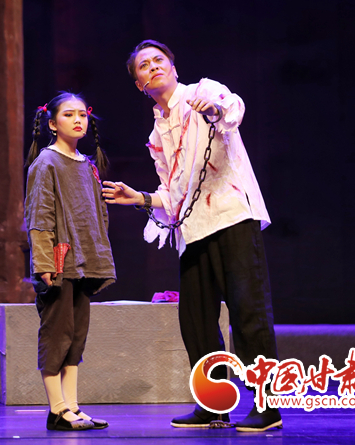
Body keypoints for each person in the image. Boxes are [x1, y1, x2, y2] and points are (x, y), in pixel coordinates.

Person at [102, 40, 282, 432]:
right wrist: (141, 197)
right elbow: (173, 192)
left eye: (159, 60)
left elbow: (233, 108)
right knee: (196, 319)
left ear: (173, 68)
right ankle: (214, 404)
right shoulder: (156, 133)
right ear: (139, 85)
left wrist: (214, 109)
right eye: (144, 66)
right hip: (194, 229)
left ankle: (268, 406)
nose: (153, 67)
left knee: (248, 311)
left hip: (232, 216)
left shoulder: (202, 91)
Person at [24, 92, 116, 431]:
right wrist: (44, 262)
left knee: (76, 335)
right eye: (68, 115)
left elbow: (98, 215)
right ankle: (57, 408)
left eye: (82, 114)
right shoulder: (46, 163)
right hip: (60, 263)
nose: (78, 120)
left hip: (84, 262)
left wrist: (97, 256)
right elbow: (39, 216)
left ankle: (72, 405)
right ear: (52, 123)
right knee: (57, 334)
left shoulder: (87, 165)